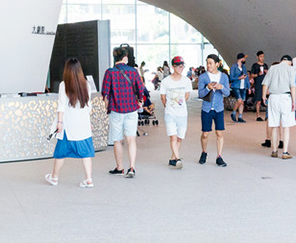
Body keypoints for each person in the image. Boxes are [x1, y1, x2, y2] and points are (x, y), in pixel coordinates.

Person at [45, 57, 97, 187]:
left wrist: (59, 123)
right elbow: (88, 106)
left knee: (61, 152)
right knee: (86, 153)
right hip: (83, 125)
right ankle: (88, 179)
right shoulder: (86, 84)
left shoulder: (64, 85)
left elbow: (61, 106)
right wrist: (88, 122)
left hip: (68, 125)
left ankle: (54, 177)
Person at [101, 43, 149, 178]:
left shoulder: (109, 72)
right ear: (125, 58)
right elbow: (141, 89)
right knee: (131, 139)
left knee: (117, 140)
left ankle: (120, 167)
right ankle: (132, 168)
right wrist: (140, 100)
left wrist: (106, 108)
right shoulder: (133, 71)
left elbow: (105, 93)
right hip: (131, 109)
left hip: (116, 110)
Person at [197, 53, 229, 166]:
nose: (208, 65)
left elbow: (227, 92)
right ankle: (204, 152)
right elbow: (200, 94)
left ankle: (219, 156)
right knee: (205, 133)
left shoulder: (224, 77)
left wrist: (221, 87)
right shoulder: (203, 77)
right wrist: (207, 88)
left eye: (210, 63)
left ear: (217, 64)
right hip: (206, 108)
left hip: (219, 108)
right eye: (207, 63)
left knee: (219, 133)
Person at [263, 53, 296, 159]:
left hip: (273, 98)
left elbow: (265, 84)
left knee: (274, 125)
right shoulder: (291, 69)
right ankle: (285, 152)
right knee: (286, 127)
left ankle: (274, 150)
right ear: (290, 62)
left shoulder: (272, 68)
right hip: (285, 98)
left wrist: (264, 97)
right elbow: (293, 87)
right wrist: (294, 101)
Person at [160, 55, 191, 167]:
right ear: (173, 66)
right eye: (178, 66)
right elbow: (163, 97)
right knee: (173, 136)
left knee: (179, 138)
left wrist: (179, 104)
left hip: (182, 113)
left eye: (182, 66)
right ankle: (178, 159)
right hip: (170, 113)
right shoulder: (166, 81)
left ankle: (172, 158)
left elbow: (187, 95)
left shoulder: (186, 81)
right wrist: (168, 106)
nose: (181, 68)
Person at [229, 52, 249, 123]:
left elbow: (246, 77)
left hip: (243, 86)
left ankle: (240, 116)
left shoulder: (244, 67)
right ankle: (233, 112)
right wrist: (239, 78)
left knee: (242, 102)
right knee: (239, 100)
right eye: (244, 58)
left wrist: (248, 87)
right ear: (241, 58)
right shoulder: (233, 67)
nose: (244, 59)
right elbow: (231, 78)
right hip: (236, 86)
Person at [251, 51, 268, 121]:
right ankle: (258, 115)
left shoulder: (265, 65)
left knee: (266, 100)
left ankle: (267, 115)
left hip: (265, 84)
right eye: (261, 57)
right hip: (258, 84)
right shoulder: (255, 65)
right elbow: (252, 75)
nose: (262, 58)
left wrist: (267, 72)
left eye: (263, 56)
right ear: (257, 57)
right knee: (259, 101)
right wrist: (258, 74)